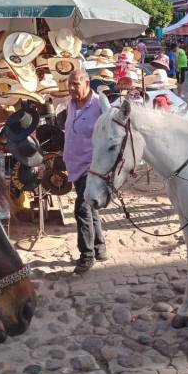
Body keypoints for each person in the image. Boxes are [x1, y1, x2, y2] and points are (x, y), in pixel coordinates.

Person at [65, 69, 107, 274]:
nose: (72, 88)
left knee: (81, 209)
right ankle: (99, 248)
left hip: (91, 167)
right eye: (70, 84)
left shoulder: (99, 105)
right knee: (90, 208)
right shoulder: (71, 104)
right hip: (75, 164)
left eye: (76, 84)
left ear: (87, 83)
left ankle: (87, 255)